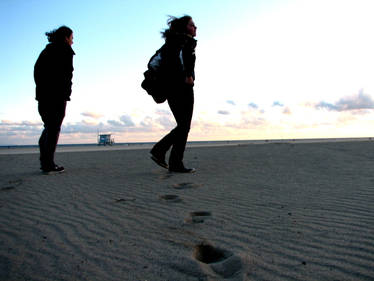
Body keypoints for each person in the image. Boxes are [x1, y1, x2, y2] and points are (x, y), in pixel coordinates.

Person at [150, 15, 197, 173]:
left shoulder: (172, 43)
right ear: (184, 28)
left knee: (183, 126)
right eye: (192, 25)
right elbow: (177, 61)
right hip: (181, 88)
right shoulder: (181, 42)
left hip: (174, 88)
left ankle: (173, 161)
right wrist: (186, 76)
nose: (195, 28)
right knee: (184, 126)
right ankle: (161, 151)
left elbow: (154, 63)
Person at [34, 26, 75, 173]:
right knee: (53, 128)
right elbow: (66, 76)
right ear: (65, 37)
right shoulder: (63, 51)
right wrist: (63, 92)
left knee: (49, 127)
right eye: (72, 38)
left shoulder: (46, 51)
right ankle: (48, 164)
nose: (73, 41)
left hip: (44, 96)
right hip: (55, 96)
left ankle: (45, 162)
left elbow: (37, 73)